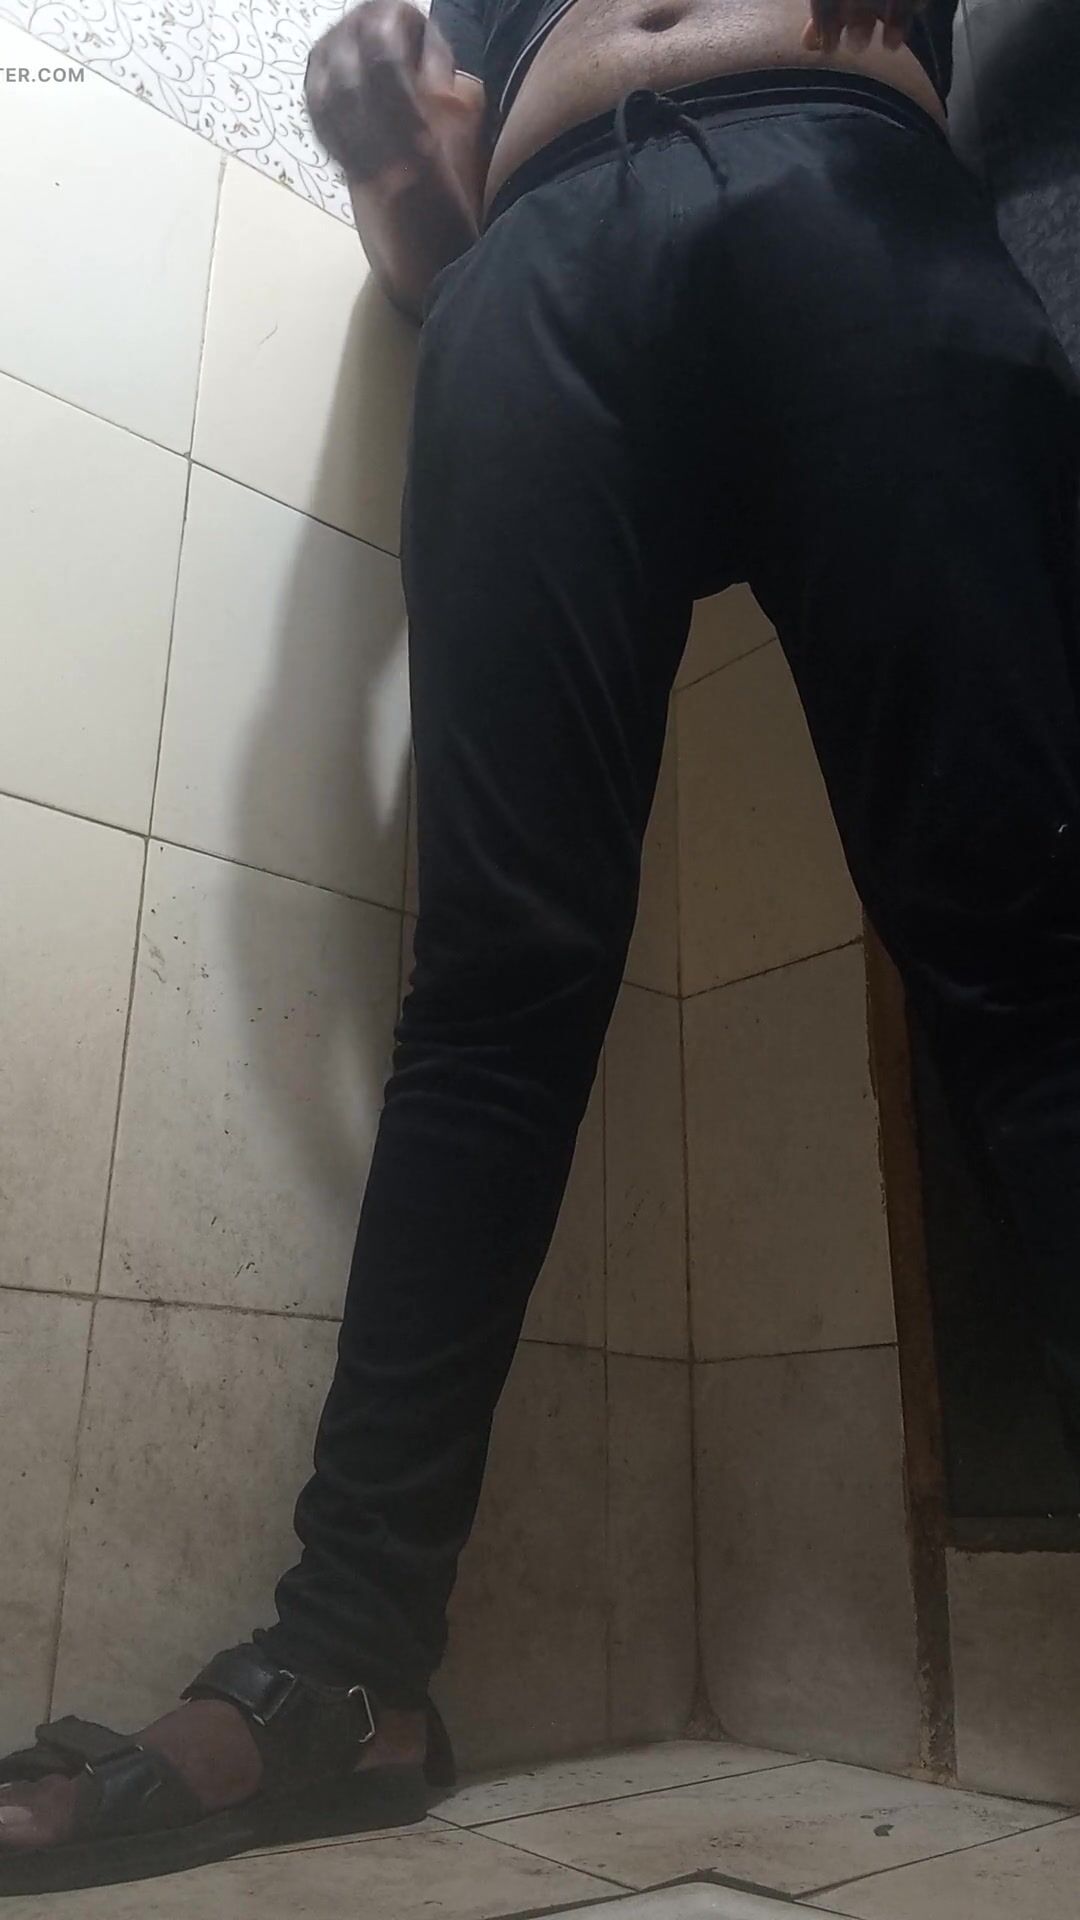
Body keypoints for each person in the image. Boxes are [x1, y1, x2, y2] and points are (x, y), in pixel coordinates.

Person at [2, 0, 1079, 1894]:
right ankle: (350, 1672)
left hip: (851, 170)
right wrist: (382, 159)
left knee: (1032, 937)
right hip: (543, 259)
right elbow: (432, 255)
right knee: (487, 998)